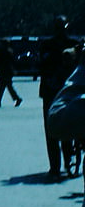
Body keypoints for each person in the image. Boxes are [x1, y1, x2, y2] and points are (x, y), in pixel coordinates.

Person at [39, 16, 77, 179]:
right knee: (61, 126)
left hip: (59, 90)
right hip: (61, 90)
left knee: (55, 127)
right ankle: (60, 163)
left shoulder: (70, 45)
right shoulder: (73, 45)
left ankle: (58, 165)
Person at [0, 40, 22, 109]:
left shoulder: (3, 51)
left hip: (4, 71)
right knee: (8, 87)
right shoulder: (8, 51)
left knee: (1, 87)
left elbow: (2, 61)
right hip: (7, 72)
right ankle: (16, 99)